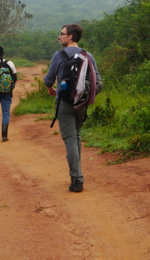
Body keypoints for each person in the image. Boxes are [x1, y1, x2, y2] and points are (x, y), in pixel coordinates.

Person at [43, 23, 103, 193]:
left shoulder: (59, 55)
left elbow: (48, 80)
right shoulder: (88, 55)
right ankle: (76, 173)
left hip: (64, 104)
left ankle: (77, 179)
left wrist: (51, 90)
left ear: (70, 37)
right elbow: (99, 83)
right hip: (81, 105)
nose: (59, 37)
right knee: (76, 137)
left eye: (62, 34)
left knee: (70, 139)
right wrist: (85, 97)